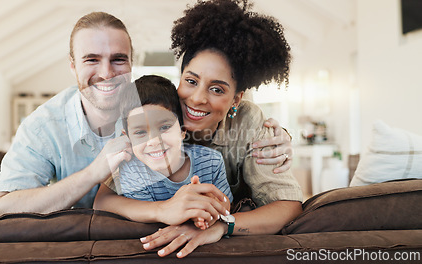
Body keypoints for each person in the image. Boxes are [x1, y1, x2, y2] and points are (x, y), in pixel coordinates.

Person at [0, 10, 292, 215]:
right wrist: (94, 172)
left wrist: (282, 138)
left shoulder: (160, 106)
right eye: (91, 59)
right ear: (72, 66)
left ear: (132, 62)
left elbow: (218, 116)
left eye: (118, 60)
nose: (106, 73)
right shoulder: (44, 125)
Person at [95, 0, 303, 259]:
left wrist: (223, 226)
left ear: (236, 99)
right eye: (191, 81)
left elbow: (288, 206)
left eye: (217, 89)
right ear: (179, 79)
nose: (197, 99)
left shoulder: (249, 123)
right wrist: (164, 210)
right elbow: (106, 197)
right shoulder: (156, 112)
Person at [110, 75, 232, 229]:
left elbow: (226, 204)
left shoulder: (211, 161)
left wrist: (209, 212)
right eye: (140, 132)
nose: (154, 141)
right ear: (128, 138)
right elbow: (148, 224)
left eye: (164, 127)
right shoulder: (132, 171)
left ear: (182, 131)